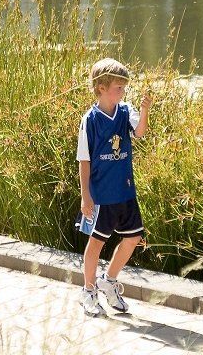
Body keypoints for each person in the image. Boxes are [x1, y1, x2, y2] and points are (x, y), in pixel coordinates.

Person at [76, 57, 153, 316]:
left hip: (124, 191)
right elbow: (84, 161)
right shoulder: (90, 120)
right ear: (101, 88)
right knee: (96, 243)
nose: (123, 92)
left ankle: (108, 281)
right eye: (118, 87)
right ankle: (88, 291)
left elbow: (139, 132)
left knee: (133, 237)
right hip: (101, 195)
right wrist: (86, 197)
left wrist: (144, 112)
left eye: (124, 87)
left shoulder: (125, 111)